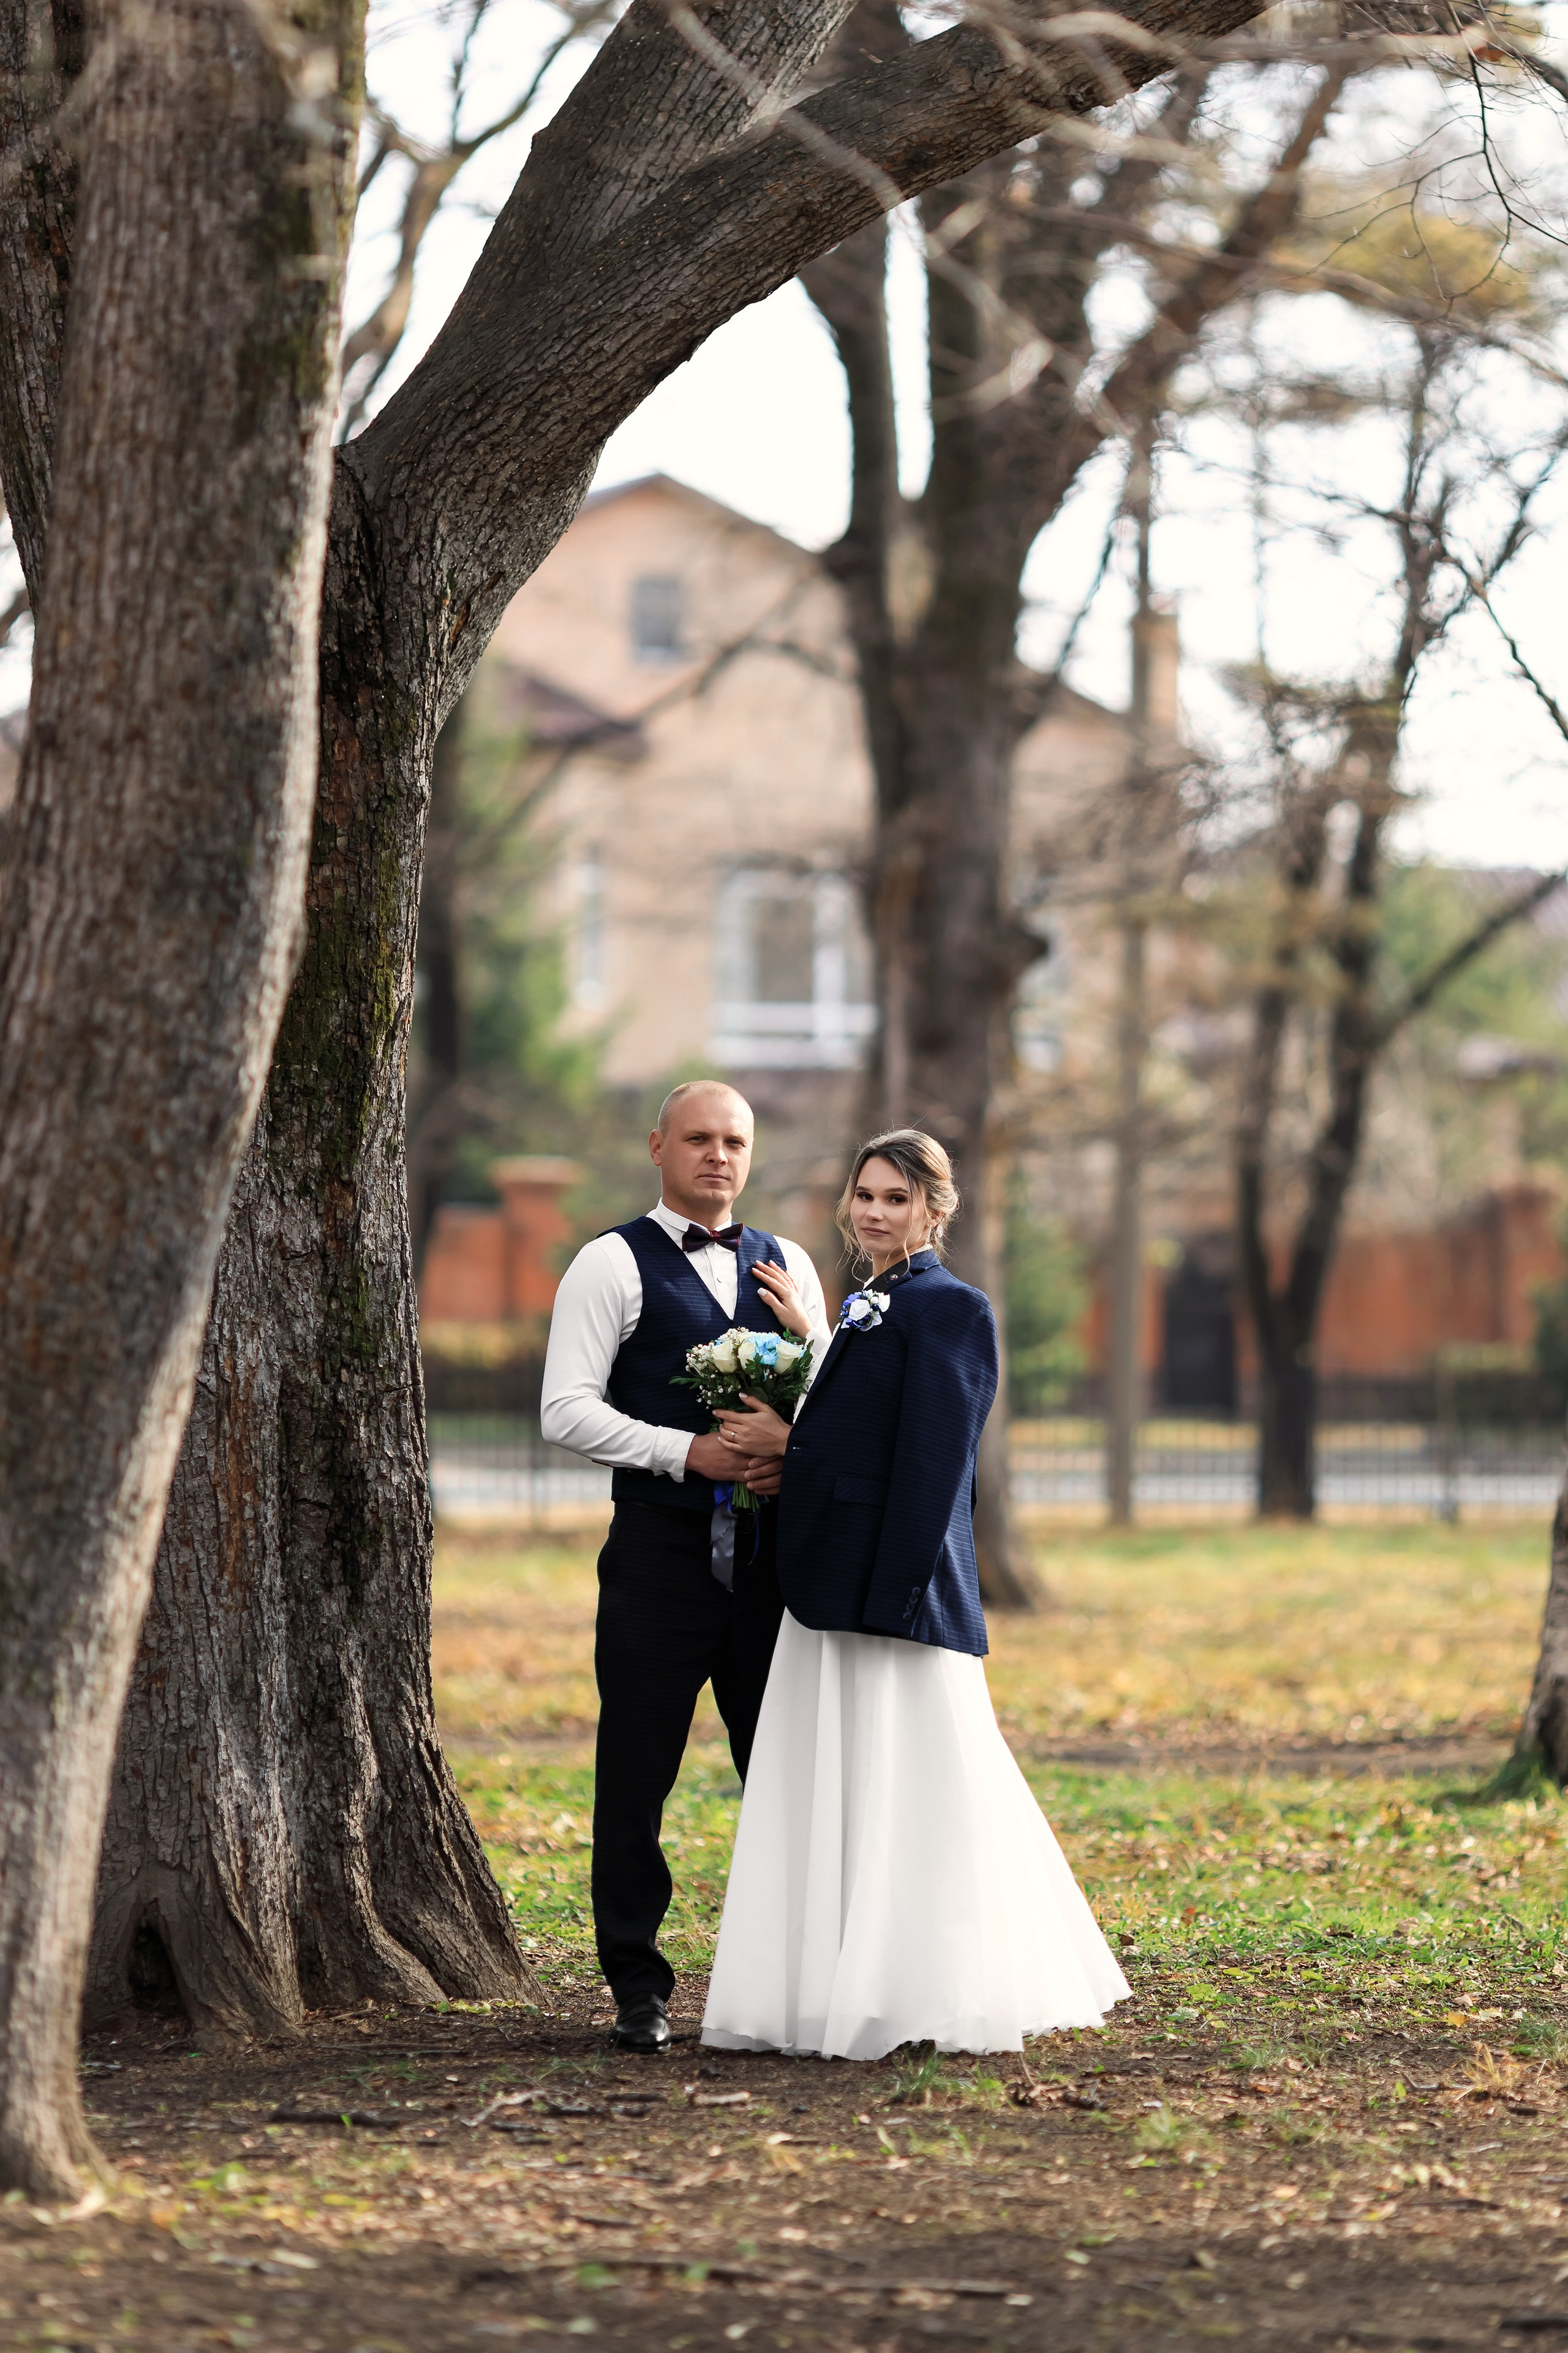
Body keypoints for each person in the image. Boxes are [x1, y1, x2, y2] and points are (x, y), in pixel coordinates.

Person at [700, 1128, 1128, 2061]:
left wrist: (801, 1462)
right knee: (838, 1785)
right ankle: (830, 1984)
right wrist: (795, 1442)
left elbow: (933, 1466)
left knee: (918, 1788)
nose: (875, 1211)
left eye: (896, 1198)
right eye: (865, 1194)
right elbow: (856, 1437)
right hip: (829, 1587)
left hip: (891, 1592)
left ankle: (925, 1986)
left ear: (936, 1209)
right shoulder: (868, 1303)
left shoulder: (951, 1309)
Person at [540, 1081, 832, 2054]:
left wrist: (801, 1380)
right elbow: (565, 1408)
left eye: (736, 1140)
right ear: (659, 1146)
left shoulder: (788, 1261)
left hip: (772, 1566)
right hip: (659, 1561)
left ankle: (797, 1971)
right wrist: (687, 1451)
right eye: (699, 1138)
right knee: (635, 1776)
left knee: (784, 1769)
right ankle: (637, 1982)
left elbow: (838, 1399)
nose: (718, 1155)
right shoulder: (608, 1262)